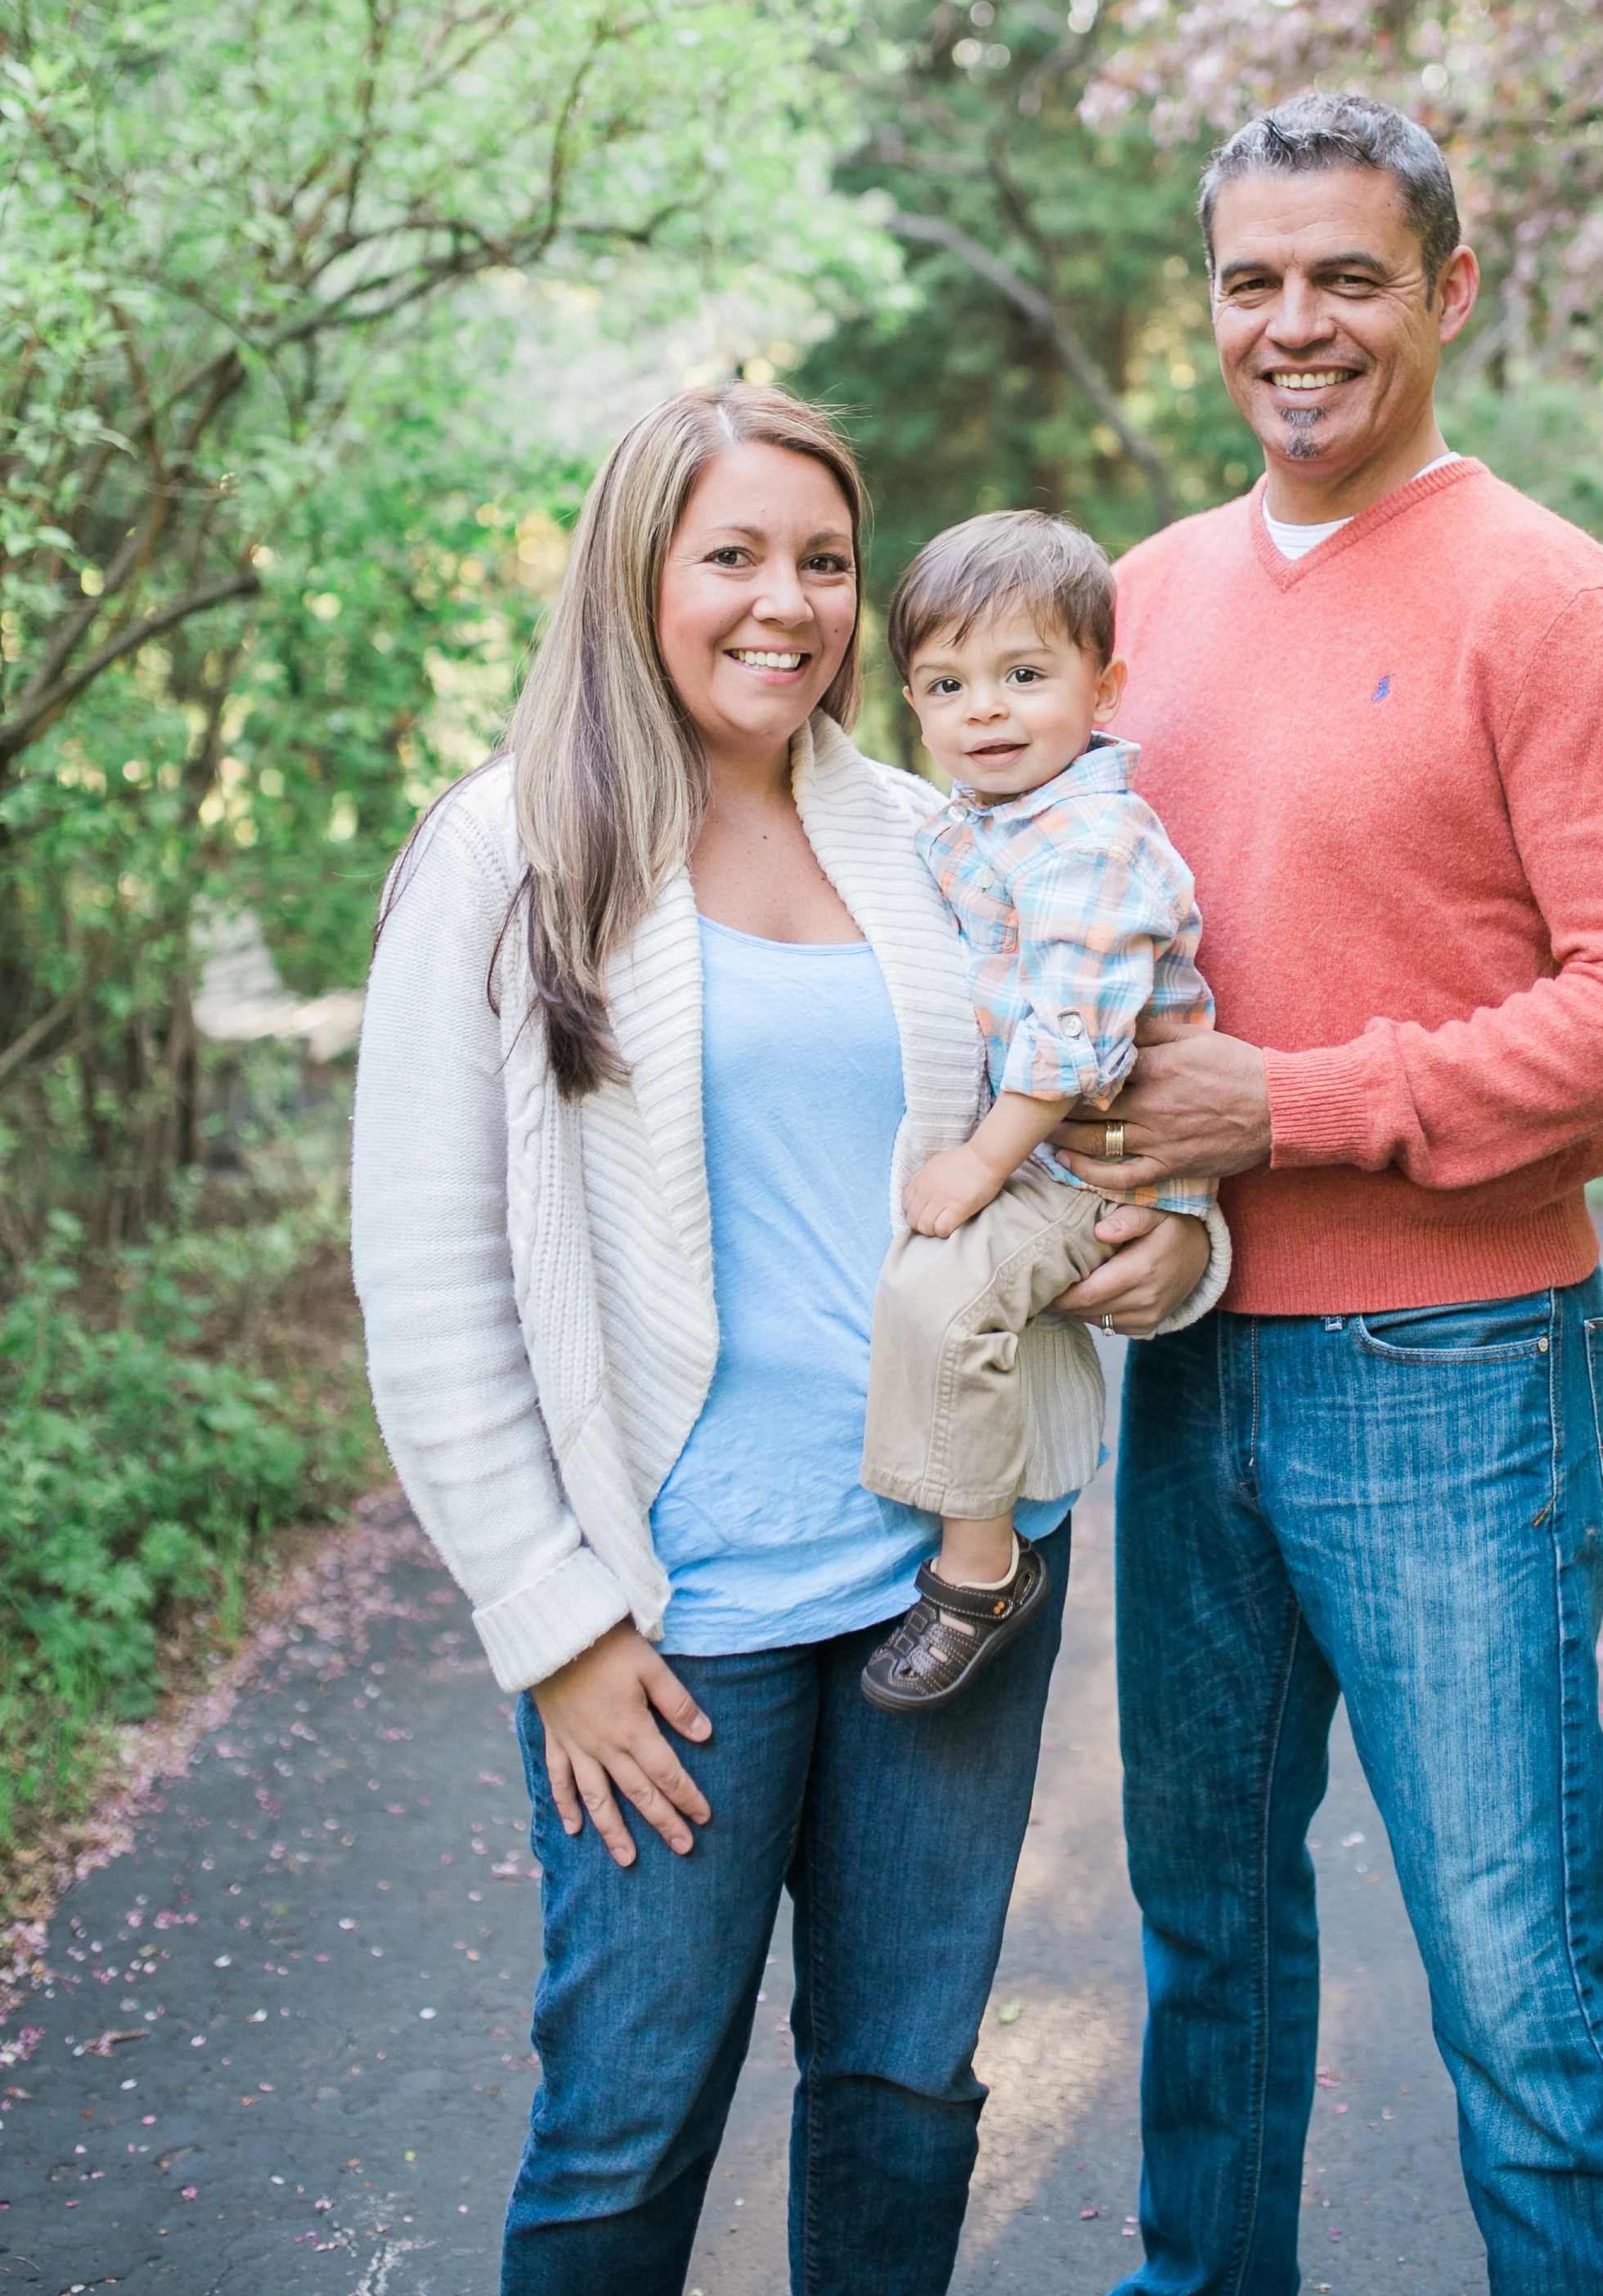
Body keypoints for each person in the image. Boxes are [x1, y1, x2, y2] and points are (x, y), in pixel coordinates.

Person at [348, 385, 1220, 2296]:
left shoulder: (938, 835)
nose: (787, 603)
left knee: (904, 2091)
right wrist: (549, 1623)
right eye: (730, 555)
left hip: (951, 1578)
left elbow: (1108, 1086)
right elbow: (423, 1278)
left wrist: (1180, 1252)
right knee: (628, 2115)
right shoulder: (508, 853)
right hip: (670, 1625)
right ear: (633, 573)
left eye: (823, 561)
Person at [1052, 94, 1603, 2296]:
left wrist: (1301, 1103)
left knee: (1517, 1977)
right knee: (1209, 1937)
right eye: (1252, 277)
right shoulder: (1135, 603)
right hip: (1185, 1362)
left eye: (1344, 274)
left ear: (1444, 293)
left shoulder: (1549, 595)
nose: (1294, 321)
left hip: (1455, 1366)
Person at [858, 509, 1215, 1713]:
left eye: (1025, 675)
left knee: (946, 1290)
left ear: (1103, 685)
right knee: (934, 1285)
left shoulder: (1091, 839)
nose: (988, 712)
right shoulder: (974, 820)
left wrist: (977, 1159)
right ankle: (962, 1525)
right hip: (1048, 1148)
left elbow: (1072, 1040)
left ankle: (980, 1570)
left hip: (1092, 1162)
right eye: (949, 684)